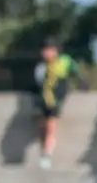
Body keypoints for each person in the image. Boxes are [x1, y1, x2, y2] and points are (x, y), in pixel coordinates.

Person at [34, 40, 82, 170]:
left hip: (55, 100)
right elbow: (37, 84)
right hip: (43, 100)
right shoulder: (41, 67)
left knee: (51, 126)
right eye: (44, 51)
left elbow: (75, 73)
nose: (46, 53)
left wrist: (80, 83)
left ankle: (47, 155)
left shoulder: (64, 61)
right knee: (42, 127)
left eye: (49, 50)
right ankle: (45, 150)